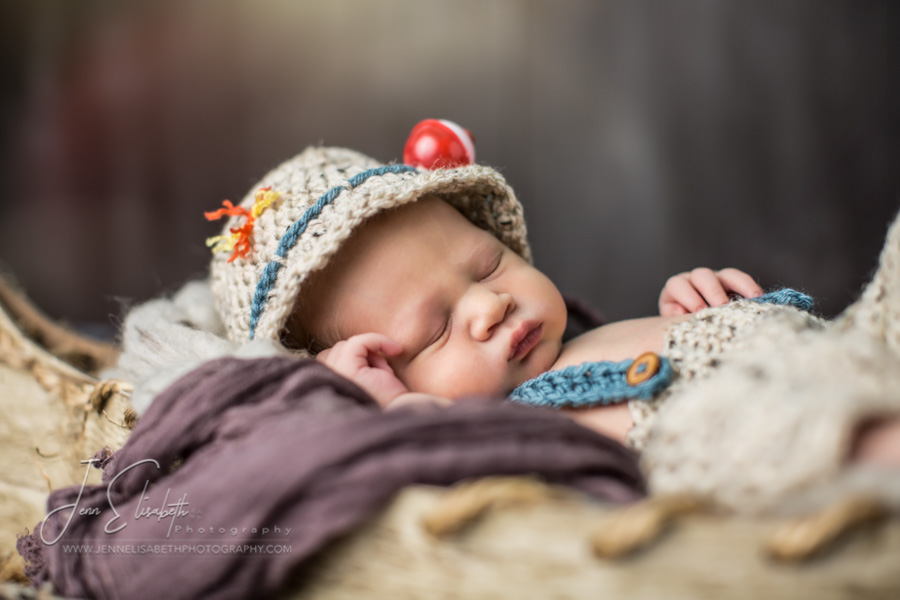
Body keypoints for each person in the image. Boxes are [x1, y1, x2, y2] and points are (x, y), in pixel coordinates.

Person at [206, 145, 900, 513]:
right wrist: (382, 413)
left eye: (488, 266)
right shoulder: (479, 427)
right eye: (437, 330)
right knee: (833, 440)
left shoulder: (578, 340)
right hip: (725, 436)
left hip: (834, 347)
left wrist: (698, 307)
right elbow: (419, 457)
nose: (488, 307)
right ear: (383, 373)